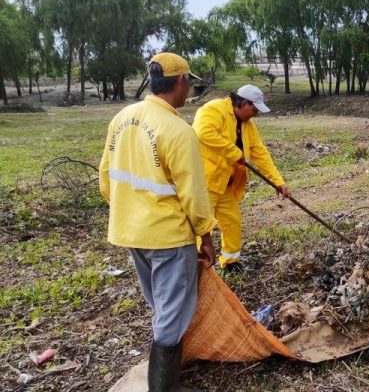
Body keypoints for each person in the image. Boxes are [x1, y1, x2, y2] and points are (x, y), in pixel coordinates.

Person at [98, 52, 217, 391]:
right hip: (168, 237)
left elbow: (106, 179)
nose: (189, 90)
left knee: (161, 303)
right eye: (189, 83)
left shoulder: (122, 117)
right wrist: (206, 237)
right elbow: (193, 195)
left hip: (131, 232)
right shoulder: (178, 130)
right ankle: (163, 387)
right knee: (172, 314)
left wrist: (131, 211)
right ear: (180, 82)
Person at [192, 84, 289, 273]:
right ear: (244, 103)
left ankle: (230, 262)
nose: (256, 114)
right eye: (254, 109)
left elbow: (260, 152)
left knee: (232, 221)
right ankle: (199, 265)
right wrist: (234, 152)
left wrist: (278, 181)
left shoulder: (248, 125)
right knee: (203, 227)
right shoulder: (214, 110)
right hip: (206, 182)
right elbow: (203, 133)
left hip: (227, 184)